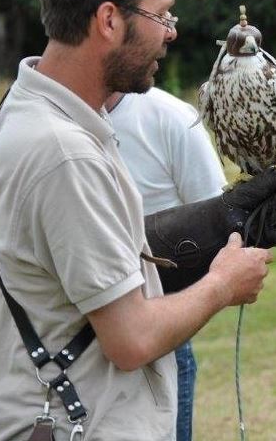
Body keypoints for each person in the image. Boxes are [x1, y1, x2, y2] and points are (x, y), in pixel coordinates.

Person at [0, 0, 276, 440]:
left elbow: (73, 268)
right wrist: (222, 283)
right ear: (110, 20)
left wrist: (216, 222)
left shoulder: (23, 107)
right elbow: (131, 339)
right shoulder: (64, 153)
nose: (172, 32)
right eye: (162, 15)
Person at [107, 88, 228, 441]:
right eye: (164, 26)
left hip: (162, 340)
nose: (170, 36)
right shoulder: (47, 120)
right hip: (66, 344)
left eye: (171, 26)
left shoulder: (172, 118)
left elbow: (219, 224)